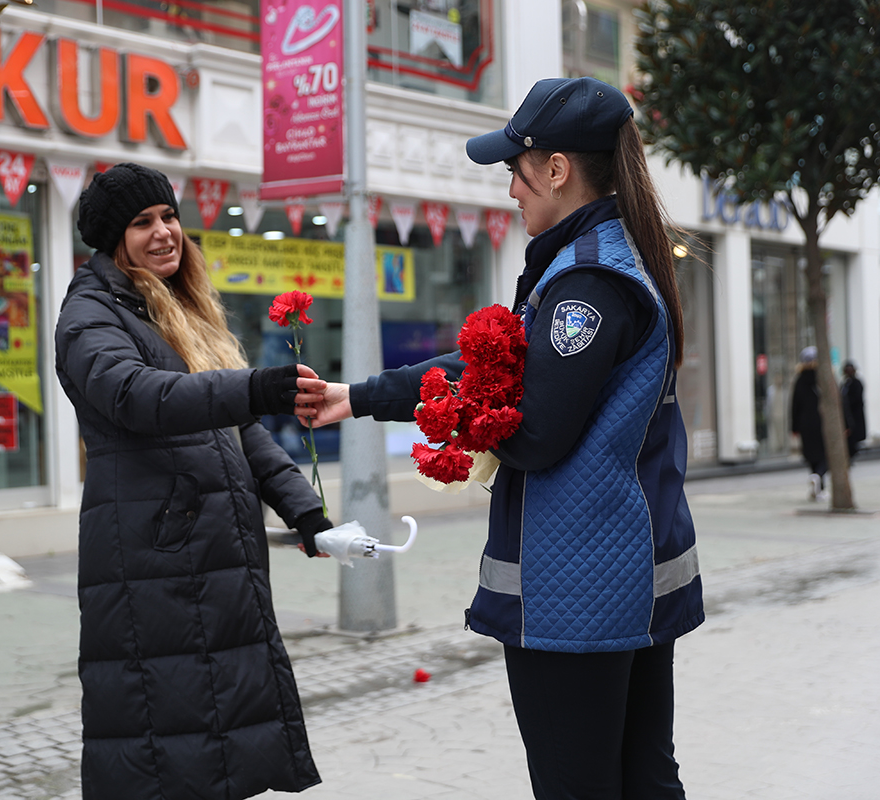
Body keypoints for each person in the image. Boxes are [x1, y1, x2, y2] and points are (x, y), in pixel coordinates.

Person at [299, 77, 703, 799]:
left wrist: (478, 432)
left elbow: (535, 430)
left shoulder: (587, 285)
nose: (510, 190)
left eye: (517, 171)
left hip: (581, 590)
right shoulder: (597, 261)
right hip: (618, 578)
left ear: (557, 169)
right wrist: (358, 397)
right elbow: (505, 367)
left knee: (579, 786)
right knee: (644, 779)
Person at [54, 163, 332, 800]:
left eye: (169, 217)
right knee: (168, 747)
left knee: (221, 737)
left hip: (210, 560)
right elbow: (139, 396)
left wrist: (306, 514)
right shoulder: (90, 316)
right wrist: (255, 386)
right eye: (142, 222)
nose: (164, 233)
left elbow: (239, 434)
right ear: (111, 238)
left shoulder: (176, 306)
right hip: (154, 564)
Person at [790, 346, 826, 500]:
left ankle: (817, 486)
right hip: (822, 422)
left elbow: (794, 405)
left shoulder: (799, 380)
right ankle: (818, 477)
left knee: (811, 454)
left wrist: (794, 427)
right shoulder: (823, 378)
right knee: (825, 454)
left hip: (805, 423)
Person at [841, 361, 866, 460]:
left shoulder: (856, 383)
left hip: (855, 413)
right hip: (848, 414)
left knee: (855, 433)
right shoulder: (845, 384)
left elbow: (856, 398)